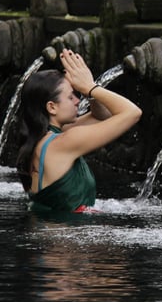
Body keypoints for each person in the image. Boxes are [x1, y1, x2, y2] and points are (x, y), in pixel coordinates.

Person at [16, 48, 142, 213]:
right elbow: (132, 113)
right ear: (52, 107)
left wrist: (87, 92)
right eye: (71, 97)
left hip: (48, 234)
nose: (77, 100)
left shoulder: (45, 138)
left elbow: (101, 116)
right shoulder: (65, 141)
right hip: (65, 237)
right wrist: (90, 87)